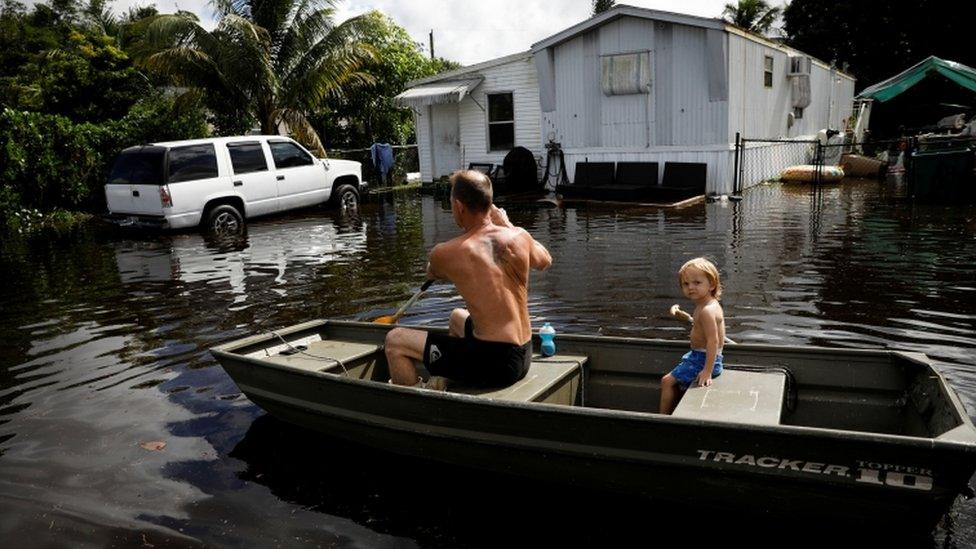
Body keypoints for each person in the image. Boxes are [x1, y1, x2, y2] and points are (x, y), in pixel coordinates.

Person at [384, 170, 552, 388]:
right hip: (523, 355)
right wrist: (506, 224)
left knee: (395, 341)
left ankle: (416, 403)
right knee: (456, 317)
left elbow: (431, 272)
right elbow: (545, 260)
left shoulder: (446, 252)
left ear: (459, 206)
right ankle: (449, 375)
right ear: (489, 204)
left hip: (494, 365)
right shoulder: (519, 236)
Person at [659, 257, 726, 415]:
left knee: (667, 381)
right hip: (700, 356)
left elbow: (713, 341)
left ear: (712, 284)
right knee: (678, 382)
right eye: (686, 284)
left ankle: (662, 419)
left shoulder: (707, 311)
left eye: (697, 283)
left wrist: (707, 371)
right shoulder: (706, 304)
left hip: (703, 360)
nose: (691, 287)